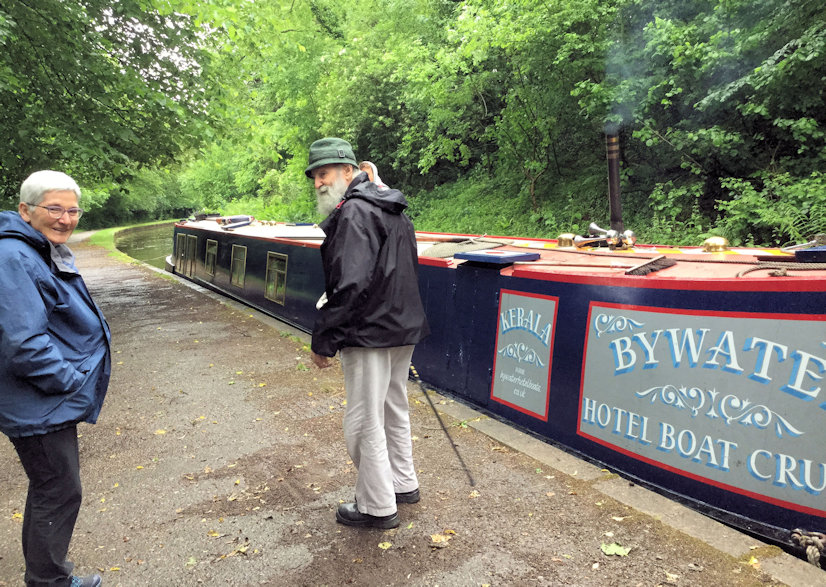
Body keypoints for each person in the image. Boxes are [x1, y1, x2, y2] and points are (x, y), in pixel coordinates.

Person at [306, 138, 429, 529]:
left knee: (363, 418)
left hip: (370, 330)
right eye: (313, 176)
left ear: (347, 171)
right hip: (400, 326)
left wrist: (324, 340)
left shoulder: (356, 212)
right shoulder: (390, 205)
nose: (318, 183)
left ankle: (377, 505)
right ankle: (403, 483)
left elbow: (351, 284)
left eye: (323, 173)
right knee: (393, 406)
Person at [0, 170, 111, 587]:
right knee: (58, 488)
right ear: (25, 211)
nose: (65, 219)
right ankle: (49, 582)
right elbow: (25, 344)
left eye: (72, 210)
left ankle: (45, 576)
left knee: (52, 485)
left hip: (38, 401)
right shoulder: (13, 258)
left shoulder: (34, 248)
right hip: (36, 402)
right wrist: (70, 381)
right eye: (54, 209)